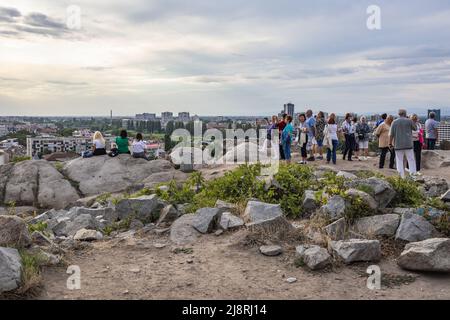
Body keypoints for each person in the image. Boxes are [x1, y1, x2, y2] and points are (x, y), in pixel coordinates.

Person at [389, 109, 417, 178]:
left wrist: (390, 143)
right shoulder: (409, 121)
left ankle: (401, 177)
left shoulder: (394, 122)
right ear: (405, 114)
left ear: (398, 114)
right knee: (411, 160)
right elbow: (415, 128)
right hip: (408, 144)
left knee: (399, 161)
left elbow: (391, 134)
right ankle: (413, 176)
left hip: (398, 144)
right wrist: (411, 120)